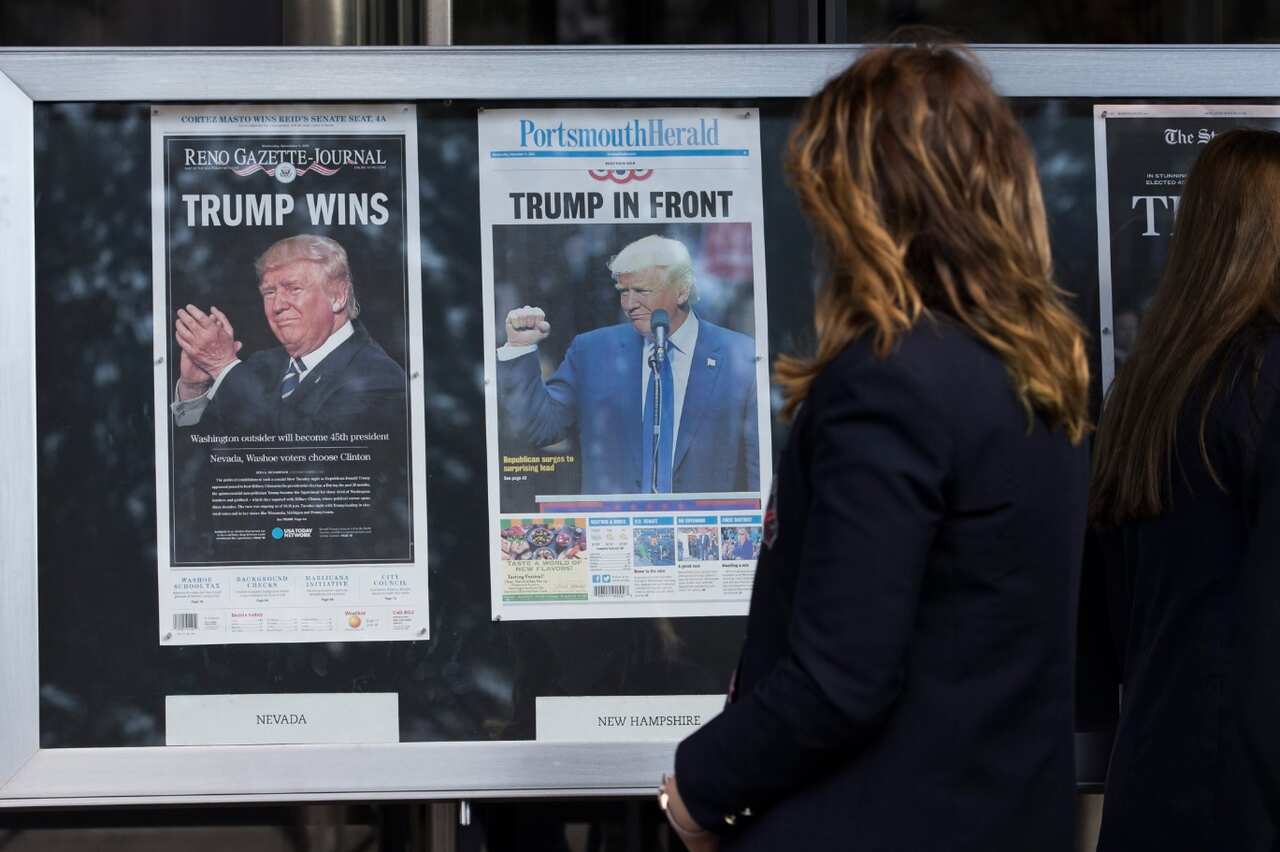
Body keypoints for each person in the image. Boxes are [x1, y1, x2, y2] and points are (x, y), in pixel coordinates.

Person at [661, 42, 1090, 851]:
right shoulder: (1039, 378)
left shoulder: (891, 382)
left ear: (865, 204)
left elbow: (840, 678)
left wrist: (696, 788)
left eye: (823, 197)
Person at [1089, 129, 1280, 851]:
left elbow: (1108, 633)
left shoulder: (1143, 391)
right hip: (1243, 803)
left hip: (1149, 785)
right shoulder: (1267, 385)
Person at [496, 234, 759, 496]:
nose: (629, 305)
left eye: (642, 291)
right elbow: (540, 430)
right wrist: (520, 348)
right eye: (624, 292)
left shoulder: (738, 354)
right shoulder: (592, 351)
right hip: (612, 530)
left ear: (682, 290)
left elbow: (758, 465)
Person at [170, 234, 407, 434]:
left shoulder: (379, 377)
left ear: (337, 296)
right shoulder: (259, 365)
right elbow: (198, 462)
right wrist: (194, 388)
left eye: (294, 289)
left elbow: (306, 455)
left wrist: (222, 366)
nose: (277, 305)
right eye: (269, 292)